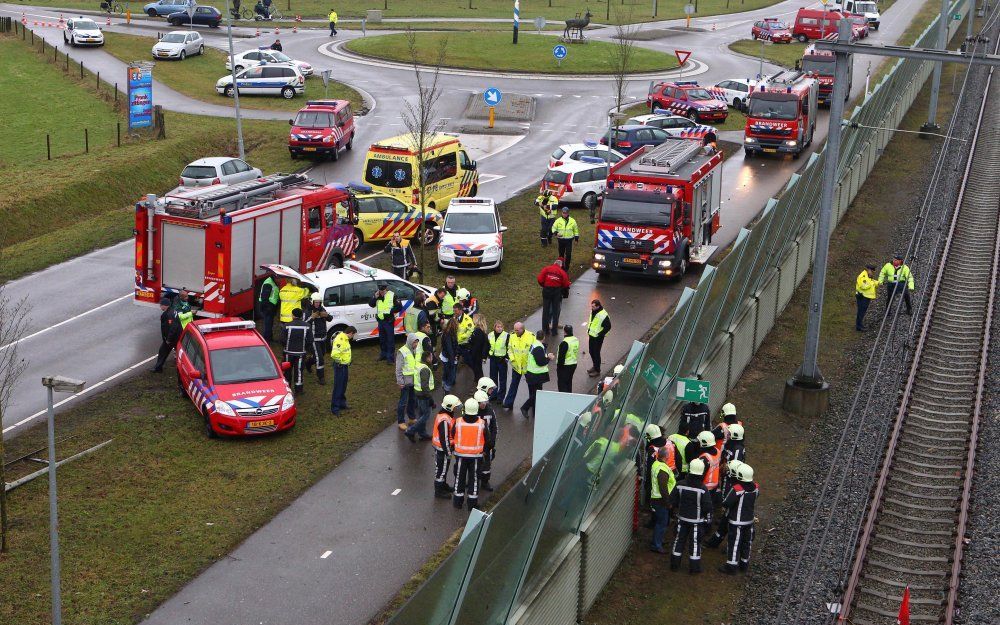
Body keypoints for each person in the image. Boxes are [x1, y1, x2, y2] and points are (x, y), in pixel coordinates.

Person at [670, 457, 713, 574]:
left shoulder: (679, 485)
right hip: (697, 522)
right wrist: (708, 521)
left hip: (681, 518)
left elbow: (672, 501)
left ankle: (674, 565)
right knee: (694, 544)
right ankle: (694, 568)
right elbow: (708, 507)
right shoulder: (703, 489)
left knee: (679, 540)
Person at [717, 464, 759, 574]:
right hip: (749, 521)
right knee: (747, 543)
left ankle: (731, 566)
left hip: (736, 522)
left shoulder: (737, 489)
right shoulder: (756, 488)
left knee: (734, 543)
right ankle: (744, 564)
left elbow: (726, 502)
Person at [453, 398, 487, 510]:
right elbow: (489, 440)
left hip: (460, 456)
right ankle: (472, 504)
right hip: (476, 457)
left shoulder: (458, 422)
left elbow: (452, 435)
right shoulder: (482, 424)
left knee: (459, 478)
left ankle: (458, 503)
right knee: (474, 480)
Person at [432, 395, 462, 498]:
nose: (456, 409)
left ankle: (443, 485)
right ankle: (439, 491)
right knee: (441, 470)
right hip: (443, 450)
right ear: (450, 407)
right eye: (455, 407)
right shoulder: (445, 420)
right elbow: (444, 439)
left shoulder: (444, 415)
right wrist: (449, 453)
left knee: (443, 468)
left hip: (442, 449)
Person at [649, 446, 677, 553]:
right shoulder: (662, 469)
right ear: (666, 456)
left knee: (660, 522)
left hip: (657, 498)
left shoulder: (656, 464)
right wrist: (668, 502)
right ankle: (656, 545)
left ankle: (658, 540)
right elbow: (663, 488)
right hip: (661, 500)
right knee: (662, 523)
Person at [521, 330, 553, 418]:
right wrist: (549, 358)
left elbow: (538, 357)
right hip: (536, 375)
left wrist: (546, 355)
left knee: (533, 393)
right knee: (537, 394)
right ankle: (525, 407)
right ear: (544, 337)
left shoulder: (534, 344)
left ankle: (535, 412)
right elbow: (541, 362)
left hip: (531, 373)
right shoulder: (538, 347)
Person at [405, 351, 436, 442]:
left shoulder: (419, 366)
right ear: (427, 358)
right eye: (431, 357)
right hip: (424, 396)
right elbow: (425, 386)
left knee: (422, 415)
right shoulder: (425, 369)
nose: (432, 358)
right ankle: (410, 431)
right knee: (425, 415)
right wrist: (431, 400)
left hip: (418, 394)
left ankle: (422, 434)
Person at [502, 322, 532, 409]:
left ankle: (532, 403)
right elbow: (510, 349)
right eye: (514, 330)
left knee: (531, 386)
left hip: (527, 367)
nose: (515, 332)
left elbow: (534, 350)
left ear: (522, 329)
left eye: (517, 330)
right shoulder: (512, 336)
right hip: (516, 366)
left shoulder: (531, 336)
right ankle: (508, 403)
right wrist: (512, 359)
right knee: (513, 384)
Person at [537, 258, 571, 336]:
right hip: (556, 292)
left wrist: (544, 285)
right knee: (555, 311)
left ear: (554, 263)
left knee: (545, 311)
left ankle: (545, 330)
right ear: (561, 265)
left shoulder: (546, 269)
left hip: (546, 291)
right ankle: (554, 331)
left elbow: (540, 279)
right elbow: (566, 284)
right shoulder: (562, 272)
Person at [283, 308, 313, 396]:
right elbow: (310, 340)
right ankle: (299, 390)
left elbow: (282, 339)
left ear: (293, 315)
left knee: (287, 371)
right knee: (299, 371)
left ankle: (287, 389)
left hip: (288, 353)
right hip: (301, 353)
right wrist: (306, 349)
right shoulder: (307, 326)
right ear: (301, 316)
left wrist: (286, 347)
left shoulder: (287, 325)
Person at [369, 283, 400, 363]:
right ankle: (383, 355)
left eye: (383, 291)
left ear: (386, 289)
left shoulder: (392, 295)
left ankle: (390, 358)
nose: (381, 292)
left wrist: (390, 311)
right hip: (380, 321)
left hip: (388, 321)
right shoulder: (377, 295)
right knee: (382, 340)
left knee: (390, 340)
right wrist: (374, 297)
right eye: (380, 291)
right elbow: (371, 304)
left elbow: (399, 307)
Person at [473, 390, 498, 492]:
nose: (484, 405)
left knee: (487, 464)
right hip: (475, 445)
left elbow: (494, 427)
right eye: (481, 403)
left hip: (487, 444)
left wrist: (492, 441)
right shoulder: (472, 412)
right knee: (473, 464)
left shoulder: (490, 411)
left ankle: (484, 482)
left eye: (485, 402)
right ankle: (472, 481)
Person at [305, 293, 332, 384]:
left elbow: (330, 318)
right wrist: (312, 318)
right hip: (314, 339)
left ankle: (308, 363)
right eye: (316, 302)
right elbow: (304, 324)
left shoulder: (322, 309)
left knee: (321, 355)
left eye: (319, 302)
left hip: (323, 338)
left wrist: (327, 316)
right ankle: (321, 377)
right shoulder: (308, 311)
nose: (317, 304)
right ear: (312, 302)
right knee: (320, 358)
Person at [395, 334, 419, 432]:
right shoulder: (402, 351)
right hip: (405, 382)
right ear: (410, 341)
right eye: (415, 342)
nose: (416, 344)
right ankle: (400, 422)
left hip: (413, 380)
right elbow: (398, 368)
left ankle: (412, 418)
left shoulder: (413, 350)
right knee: (403, 402)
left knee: (412, 400)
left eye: (417, 342)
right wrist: (400, 381)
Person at [329, 326, 355, 415]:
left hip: (344, 366)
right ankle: (335, 408)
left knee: (343, 386)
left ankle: (342, 403)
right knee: (338, 387)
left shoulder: (345, 339)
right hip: (340, 366)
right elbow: (334, 355)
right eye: (353, 335)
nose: (353, 337)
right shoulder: (340, 339)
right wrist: (342, 362)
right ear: (350, 333)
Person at [152, 297, 182, 372]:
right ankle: (158, 368)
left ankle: (158, 368)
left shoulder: (169, 314)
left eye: (161, 305)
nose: (160, 306)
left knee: (163, 351)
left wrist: (168, 339)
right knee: (164, 351)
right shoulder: (172, 311)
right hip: (176, 338)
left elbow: (172, 328)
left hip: (172, 339)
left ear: (165, 305)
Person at [587, 299, 611, 377]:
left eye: (593, 306)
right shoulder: (593, 311)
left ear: (598, 306)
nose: (592, 308)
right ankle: (595, 366)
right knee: (591, 352)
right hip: (591, 335)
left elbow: (608, 327)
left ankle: (597, 370)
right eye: (591, 306)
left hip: (598, 338)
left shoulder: (603, 315)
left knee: (596, 353)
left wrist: (600, 334)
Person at [487, 321, 509, 402]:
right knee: (493, 379)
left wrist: (506, 358)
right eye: (498, 327)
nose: (500, 328)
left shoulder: (506, 335)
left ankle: (501, 397)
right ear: (494, 327)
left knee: (502, 380)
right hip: (493, 359)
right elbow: (487, 345)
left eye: (501, 327)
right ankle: (493, 395)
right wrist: (488, 355)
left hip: (502, 360)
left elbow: (509, 347)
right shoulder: (490, 335)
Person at [257, 271, 280, 343]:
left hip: (270, 306)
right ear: (274, 277)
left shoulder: (272, 282)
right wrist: (268, 308)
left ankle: (269, 338)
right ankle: (267, 340)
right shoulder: (268, 283)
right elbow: (264, 297)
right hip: (267, 306)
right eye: (278, 278)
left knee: (269, 323)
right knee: (268, 324)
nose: (279, 280)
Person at [556, 324, 579, 393]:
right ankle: (569, 397)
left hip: (565, 366)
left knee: (562, 385)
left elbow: (561, 357)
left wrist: (559, 368)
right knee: (569, 383)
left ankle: (564, 400)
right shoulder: (575, 339)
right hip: (573, 364)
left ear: (565, 332)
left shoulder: (565, 342)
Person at [855, 263, 878, 331]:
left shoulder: (868, 276)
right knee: (861, 311)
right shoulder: (863, 277)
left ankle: (860, 324)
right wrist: (872, 283)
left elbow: (871, 281)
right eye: (872, 271)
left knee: (862, 311)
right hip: (862, 297)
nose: (873, 272)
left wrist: (878, 283)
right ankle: (859, 326)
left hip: (866, 297)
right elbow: (864, 286)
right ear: (868, 270)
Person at [439, 318, 459, 392]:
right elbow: (450, 349)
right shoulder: (449, 335)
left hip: (447, 357)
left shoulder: (447, 333)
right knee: (451, 375)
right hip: (449, 358)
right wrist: (452, 361)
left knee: (446, 372)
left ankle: (444, 385)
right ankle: (446, 390)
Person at [468, 315, 489, 382]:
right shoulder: (482, 330)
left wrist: (470, 340)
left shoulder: (478, 331)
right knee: (479, 370)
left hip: (476, 354)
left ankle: (480, 385)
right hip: (479, 354)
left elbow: (477, 344)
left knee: (478, 371)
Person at [454, 304, 474, 369]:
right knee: (455, 363)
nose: (454, 312)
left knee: (468, 362)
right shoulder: (454, 318)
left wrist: (461, 338)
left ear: (460, 310)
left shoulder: (467, 319)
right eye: (454, 311)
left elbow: (470, 331)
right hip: (456, 344)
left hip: (464, 344)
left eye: (456, 311)